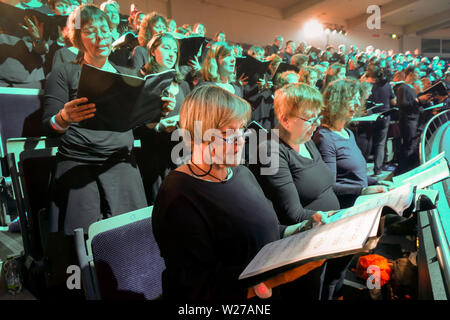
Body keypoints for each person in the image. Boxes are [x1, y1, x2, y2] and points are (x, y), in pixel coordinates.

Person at [152, 84, 323, 300]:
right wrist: (279, 278)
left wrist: (303, 229)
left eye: (241, 130)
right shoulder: (179, 197)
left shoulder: (240, 173)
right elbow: (197, 290)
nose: (240, 140)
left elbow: (265, 229)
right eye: (228, 133)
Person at [42, 4, 148, 236]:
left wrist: (153, 114)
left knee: (130, 238)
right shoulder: (63, 72)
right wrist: (64, 117)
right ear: (78, 38)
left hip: (120, 161)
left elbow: (136, 124)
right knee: (82, 241)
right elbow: (48, 125)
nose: (100, 36)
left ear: (112, 32)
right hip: (79, 163)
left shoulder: (127, 75)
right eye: (90, 31)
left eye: (104, 29)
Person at [313, 79, 390, 208]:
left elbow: (354, 176)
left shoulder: (348, 132)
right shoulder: (325, 138)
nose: (358, 104)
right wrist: (362, 191)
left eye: (358, 99)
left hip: (360, 202)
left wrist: (376, 182)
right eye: (352, 100)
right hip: (347, 207)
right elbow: (329, 186)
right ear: (336, 102)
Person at [135, 32, 190, 204]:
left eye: (175, 50)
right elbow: (135, 125)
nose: (172, 54)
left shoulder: (183, 84)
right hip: (154, 156)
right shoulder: (141, 80)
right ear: (152, 51)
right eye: (166, 48)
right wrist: (158, 126)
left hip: (180, 154)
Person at [363, 63, 397, 175]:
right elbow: (393, 102)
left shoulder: (366, 85)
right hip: (384, 116)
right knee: (380, 144)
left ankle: (362, 169)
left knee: (367, 143)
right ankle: (377, 169)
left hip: (369, 117)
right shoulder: (387, 85)